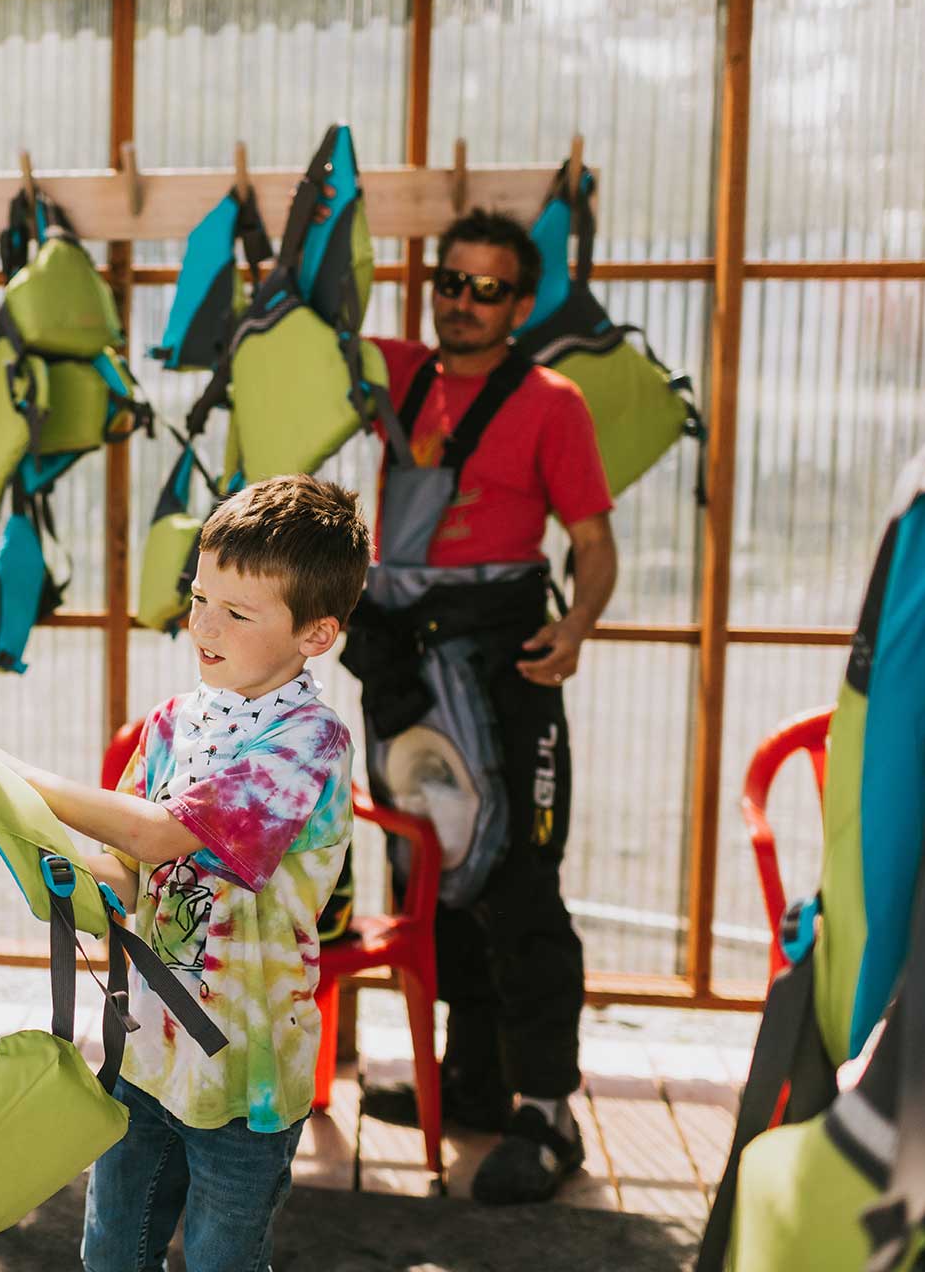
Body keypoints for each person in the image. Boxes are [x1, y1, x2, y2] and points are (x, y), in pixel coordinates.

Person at [1, 476, 370, 1272]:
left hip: (248, 1070)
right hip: (144, 1054)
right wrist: (36, 846)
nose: (203, 625)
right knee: (111, 1251)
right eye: (199, 598)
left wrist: (15, 776)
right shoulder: (173, 724)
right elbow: (130, 872)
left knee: (218, 1260)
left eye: (237, 613)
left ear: (317, 634)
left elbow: (163, 834)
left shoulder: (312, 742)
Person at [346, 208, 617, 1205]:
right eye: (449, 283)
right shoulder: (395, 372)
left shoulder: (553, 402)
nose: (463, 302)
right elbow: (296, 343)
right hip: (403, 668)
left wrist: (579, 624)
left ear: (520, 301)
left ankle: (547, 1110)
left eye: (487, 288)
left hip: (505, 666)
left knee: (516, 872)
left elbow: (592, 541)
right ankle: (471, 1080)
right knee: (433, 860)